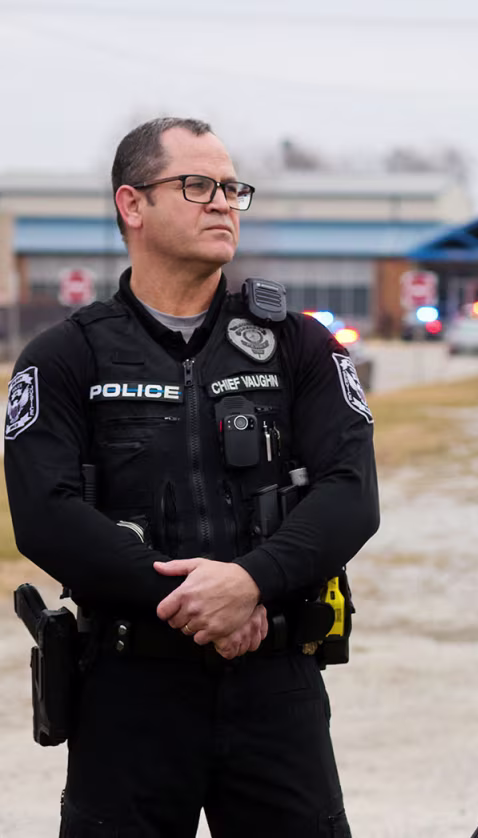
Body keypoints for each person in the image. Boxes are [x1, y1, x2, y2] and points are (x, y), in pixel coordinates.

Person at [4, 117, 380, 837]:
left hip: (275, 685)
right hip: (128, 691)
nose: (223, 203)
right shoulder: (63, 359)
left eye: (232, 188)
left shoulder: (299, 345)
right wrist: (197, 604)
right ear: (132, 204)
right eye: (197, 185)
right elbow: (45, 515)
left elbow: (351, 495)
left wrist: (251, 584)